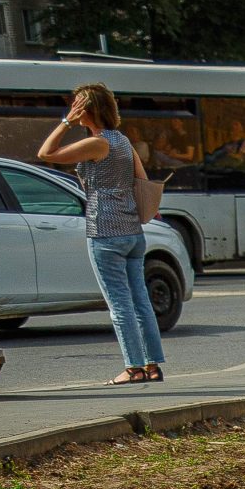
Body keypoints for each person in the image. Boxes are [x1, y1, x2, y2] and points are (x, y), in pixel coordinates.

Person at [37, 84, 164, 386]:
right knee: (140, 301)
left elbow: (45, 153)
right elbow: (142, 181)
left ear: (87, 109)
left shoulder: (97, 143)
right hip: (133, 231)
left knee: (119, 303)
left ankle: (133, 368)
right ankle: (152, 365)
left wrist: (66, 122)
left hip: (104, 231)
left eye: (77, 106)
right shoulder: (122, 141)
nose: (73, 110)